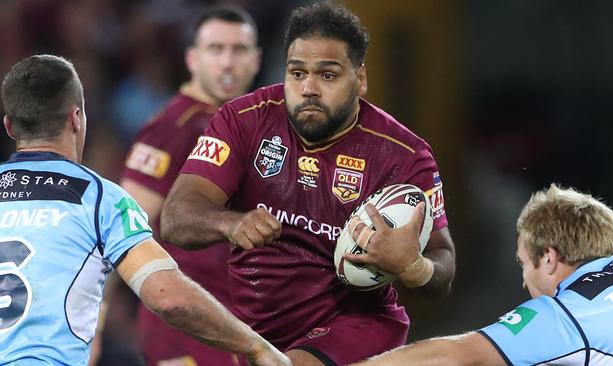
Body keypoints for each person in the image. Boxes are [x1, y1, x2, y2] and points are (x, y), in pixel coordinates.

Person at [160, 2, 456, 365]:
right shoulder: (242, 121)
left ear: (360, 79)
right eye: (297, 73)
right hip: (255, 328)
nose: (309, 88)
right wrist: (231, 222)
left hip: (355, 323)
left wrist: (412, 266)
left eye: (327, 75)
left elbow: (443, 264)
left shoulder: (405, 155)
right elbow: (175, 217)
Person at [0, 55, 289, 366]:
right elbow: (170, 298)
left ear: (9, 126)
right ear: (77, 118)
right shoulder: (100, 199)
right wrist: (256, 347)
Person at [351, 184, 613, 365]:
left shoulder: (565, 315)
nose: (523, 281)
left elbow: (455, 356)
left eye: (522, 263)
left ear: (548, 258)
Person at [119, 4, 260, 365]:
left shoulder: (242, 125)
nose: (228, 62)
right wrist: (101, 315)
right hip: (183, 326)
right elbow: (122, 227)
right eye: (216, 49)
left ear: (256, 60)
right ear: (192, 59)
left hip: (229, 321)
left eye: (239, 50)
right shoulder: (175, 125)